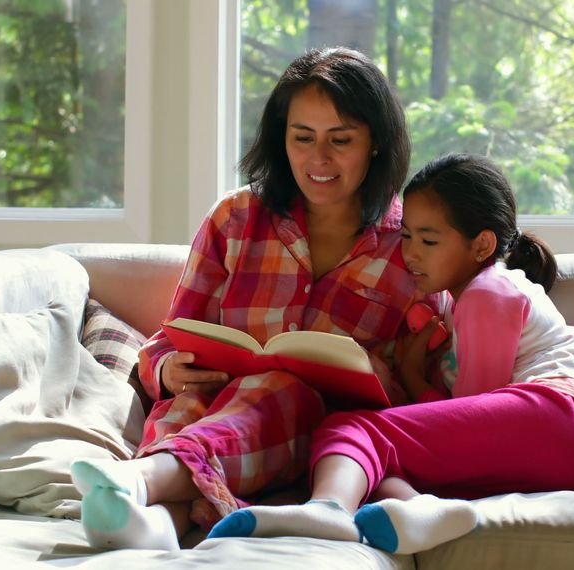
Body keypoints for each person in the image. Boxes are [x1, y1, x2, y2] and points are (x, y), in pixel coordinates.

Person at [68, 46, 432, 550]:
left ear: (375, 143)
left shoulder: (413, 245)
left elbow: (430, 394)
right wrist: (169, 369)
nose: (318, 159)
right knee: (196, 405)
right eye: (301, 138)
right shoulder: (235, 218)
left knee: (280, 388)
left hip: (314, 443)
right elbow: (165, 344)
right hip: (206, 415)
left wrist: (386, 376)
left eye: (340, 140)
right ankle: (152, 530)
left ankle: (138, 483)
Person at [207, 153, 574, 554]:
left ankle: (328, 508)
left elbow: (474, 404)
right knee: (376, 460)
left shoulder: (490, 291)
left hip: (557, 417)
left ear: (482, 245)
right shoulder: (462, 302)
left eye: (429, 241)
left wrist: (414, 383)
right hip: (562, 446)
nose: (411, 254)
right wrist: (413, 376)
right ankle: (416, 510)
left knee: (351, 428)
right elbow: (459, 428)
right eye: (408, 237)